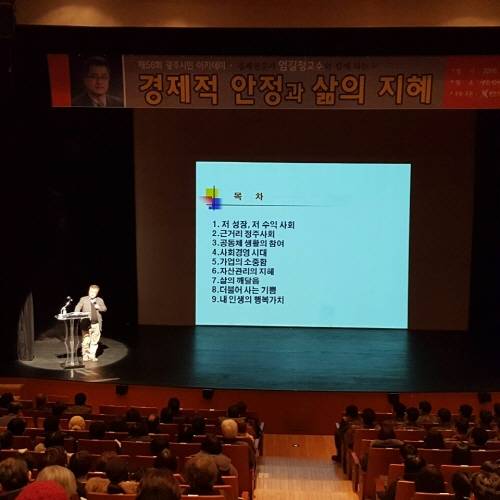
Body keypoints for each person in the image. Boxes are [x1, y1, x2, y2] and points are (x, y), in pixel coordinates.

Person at [75, 284, 107, 362]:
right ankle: (85, 355)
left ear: (97, 293)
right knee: (86, 340)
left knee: (94, 340)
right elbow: (78, 306)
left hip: (96, 323)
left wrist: (99, 307)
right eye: (91, 291)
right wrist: (77, 313)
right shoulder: (83, 299)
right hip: (85, 322)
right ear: (89, 291)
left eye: (94, 292)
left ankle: (92, 355)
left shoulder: (99, 300)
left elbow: (104, 309)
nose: (92, 293)